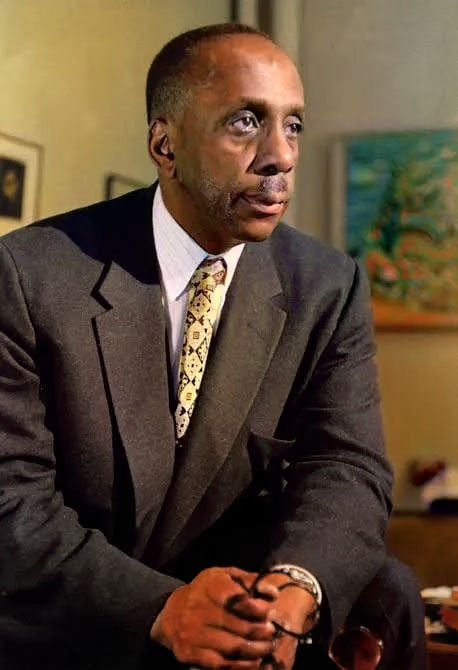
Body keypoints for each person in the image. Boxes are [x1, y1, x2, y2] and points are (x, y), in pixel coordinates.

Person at [0, 23, 426, 670]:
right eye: (246, 123)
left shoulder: (328, 286)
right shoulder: (29, 274)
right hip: (83, 605)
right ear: (165, 145)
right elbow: (13, 499)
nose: (280, 156)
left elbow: (347, 467)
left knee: (387, 589)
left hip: (243, 583)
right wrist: (160, 608)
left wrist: (295, 587)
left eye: (293, 126)